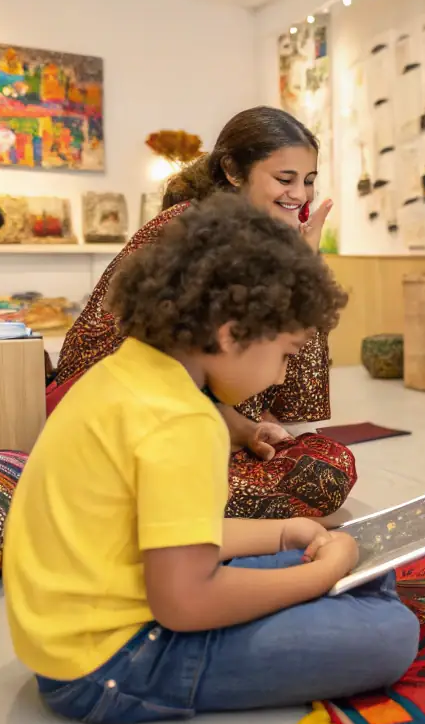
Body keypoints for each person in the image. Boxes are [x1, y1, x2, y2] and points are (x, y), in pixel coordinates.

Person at [5, 196, 419, 724]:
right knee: (391, 634)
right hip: (112, 665)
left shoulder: (127, 373)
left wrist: (287, 532)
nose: (279, 378)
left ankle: (331, 580)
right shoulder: (185, 421)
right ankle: (334, 594)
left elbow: (168, 536)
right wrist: (316, 580)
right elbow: (185, 602)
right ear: (230, 334)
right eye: (286, 355)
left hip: (73, 640)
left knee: (356, 564)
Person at [49, 107, 353, 519]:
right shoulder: (188, 231)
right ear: (232, 170)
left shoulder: (263, 237)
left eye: (309, 181)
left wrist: (250, 428)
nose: (299, 195)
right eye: (285, 179)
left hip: (205, 418)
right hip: (133, 429)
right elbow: (167, 381)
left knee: (328, 465)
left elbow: (269, 373)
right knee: (312, 478)